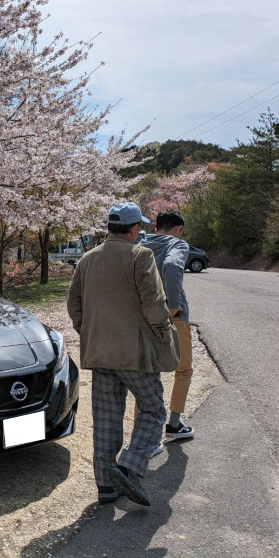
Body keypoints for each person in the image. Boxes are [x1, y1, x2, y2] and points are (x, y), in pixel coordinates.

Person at [67, 201, 180, 507]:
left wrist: (88, 333)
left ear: (108, 227)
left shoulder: (87, 260)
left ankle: (105, 485)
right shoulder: (140, 256)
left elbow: (74, 306)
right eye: (139, 228)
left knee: (106, 419)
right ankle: (129, 467)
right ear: (133, 229)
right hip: (134, 354)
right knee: (154, 409)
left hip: (99, 353)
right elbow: (155, 304)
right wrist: (161, 335)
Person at [141, 209, 195, 439]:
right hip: (173, 318)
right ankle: (174, 424)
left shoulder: (141, 242)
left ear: (156, 228)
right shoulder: (178, 245)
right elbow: (173, 267)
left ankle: (144, 433)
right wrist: (172, 305)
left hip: (145, 316)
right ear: (178, 229)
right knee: (183, 369)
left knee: (148, 374)